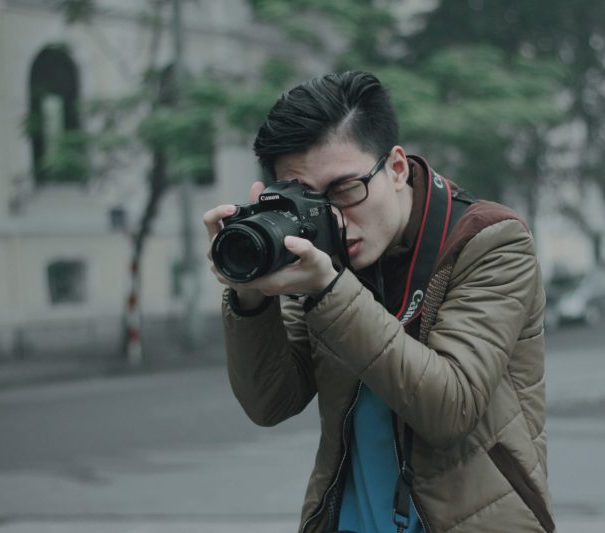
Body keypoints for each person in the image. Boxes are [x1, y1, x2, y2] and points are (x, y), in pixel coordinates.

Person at [204, 71, 553, 532]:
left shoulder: (490, 241)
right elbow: (270, 403)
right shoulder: (317, 254)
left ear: (395, 167)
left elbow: (451, 408)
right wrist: (250, 294)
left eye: (345, 190)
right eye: (308, 199)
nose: (336, 219)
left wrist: (330, 290)